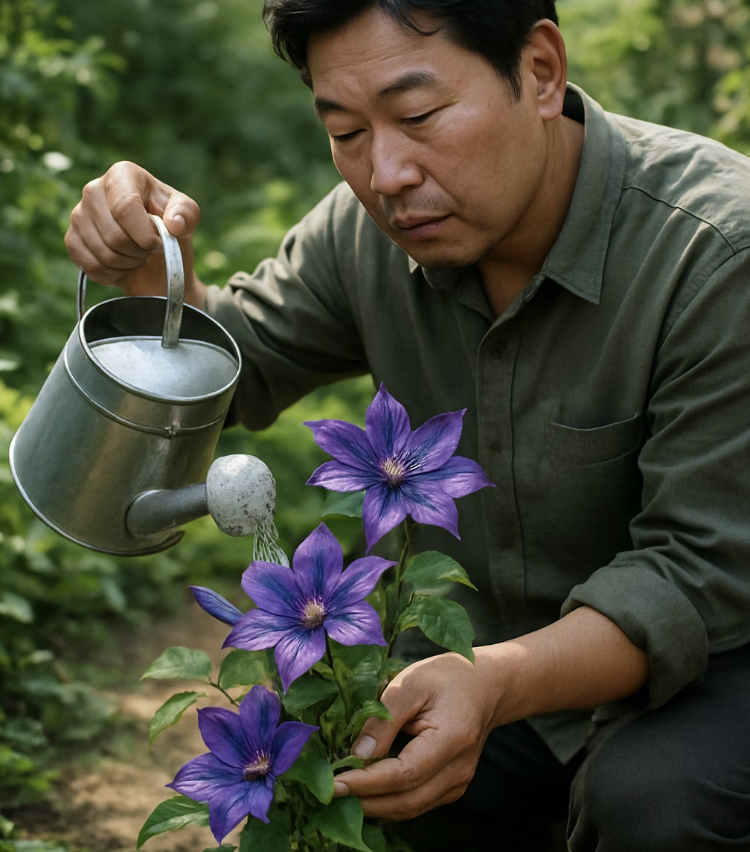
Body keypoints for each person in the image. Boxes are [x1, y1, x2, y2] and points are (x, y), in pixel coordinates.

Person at [64, 1, 750, 849]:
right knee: (336, 778)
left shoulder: (716, 251)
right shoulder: (369, 235)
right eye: (346, 131)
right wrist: (152, 285)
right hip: (485, 679)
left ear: (540, 71)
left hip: (714, 669)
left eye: (419, 116)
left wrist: (490, 681)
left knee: (655, 804)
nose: (385, 173)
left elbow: (697, 572)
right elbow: (240, 365)